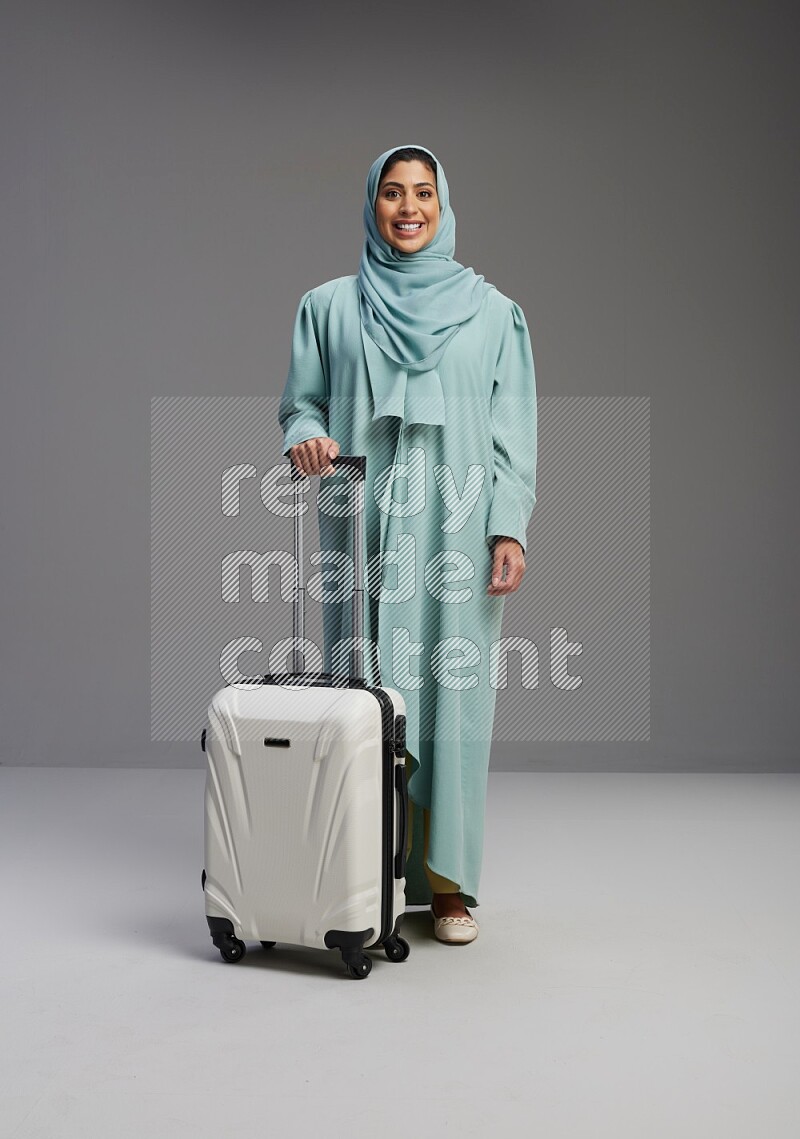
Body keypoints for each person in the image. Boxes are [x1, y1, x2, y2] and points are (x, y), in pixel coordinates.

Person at [279, 144, 537, 945]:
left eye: (423, 192)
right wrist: (308, 436)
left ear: (444, 202)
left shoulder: (495, 315)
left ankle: (447, 887)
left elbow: (512, 438)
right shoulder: (328, 306)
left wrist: (508, 527)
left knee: (454, 704)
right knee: (364, 698)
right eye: (392, 193)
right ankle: (366, 876)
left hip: (456, 532)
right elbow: (300, 406)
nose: (408, 206)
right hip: (360, 530)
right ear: (372, 204)